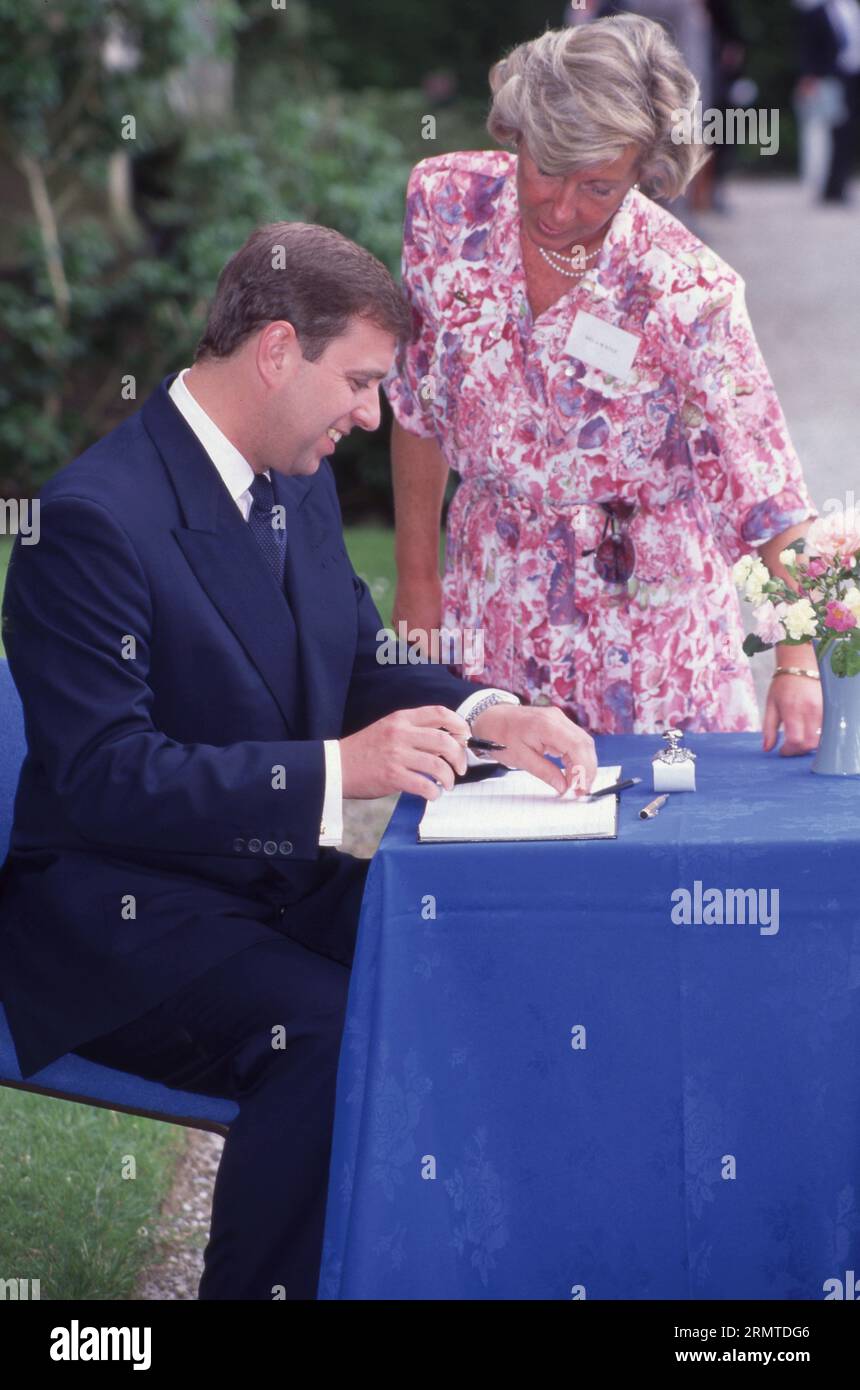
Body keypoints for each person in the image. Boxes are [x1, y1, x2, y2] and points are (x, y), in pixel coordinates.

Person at [0, 222, 597, 1300]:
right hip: (123, 918)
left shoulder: (292, 476)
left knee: (471, 944)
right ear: (277, 350)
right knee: (324, 1030)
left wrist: (492, 713)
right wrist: (337, 773)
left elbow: (358, 658)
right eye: (360, 382)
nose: (371, 417)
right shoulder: (84, 523)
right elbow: (104, 775)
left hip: (267, 882)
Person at [387, 15, 822, 749]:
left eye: (598, 186)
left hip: (651, 632)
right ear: (516, 133)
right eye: (545, 168)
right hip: (494, 605)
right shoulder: (446, 206)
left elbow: (771, 493)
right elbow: (417, 405)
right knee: (487, 839)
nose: (561, 209)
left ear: (646, 168)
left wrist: (798, 661)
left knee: (661, 852)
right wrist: (418, 584)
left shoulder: (687, 289)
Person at [795, 0, 860, 203]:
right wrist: (808, 76)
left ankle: (838, 185)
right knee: (826, 133)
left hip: (852, 77)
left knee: (846, 133)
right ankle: (826, 185)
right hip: (828, 78)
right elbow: (807, 46)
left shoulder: (853, 9)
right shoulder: (817, 13)